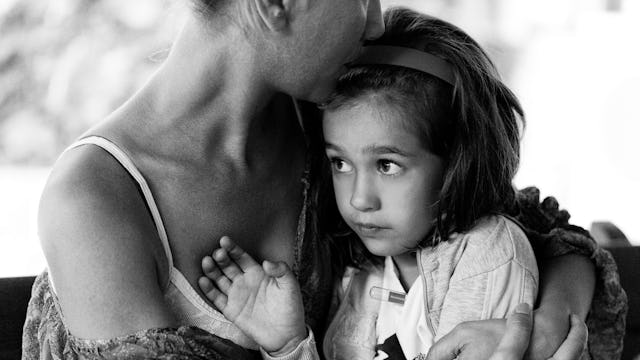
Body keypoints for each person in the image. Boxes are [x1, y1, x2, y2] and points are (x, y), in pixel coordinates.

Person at [21, 1, 624, 359]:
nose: (375, 17)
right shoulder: (96, 202)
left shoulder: (333, 122)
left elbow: (529, 229)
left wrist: (545, 324)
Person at [195, 8, 561, 359]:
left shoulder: (486, 253)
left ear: (457, 162)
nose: (359, 199)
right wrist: (289, 343)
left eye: (386, 165)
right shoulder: (358, 273)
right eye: (340, 163)